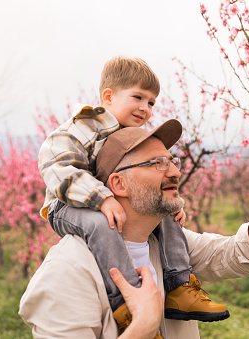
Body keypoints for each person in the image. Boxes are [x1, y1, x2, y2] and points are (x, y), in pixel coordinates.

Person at [19, 119, 249, 338]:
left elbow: (245, 254)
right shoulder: (67, 273)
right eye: (157, 163)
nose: (175, 171)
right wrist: (142, 327)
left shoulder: (169, 247)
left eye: (172, 161)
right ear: (118, 184)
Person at [37, 56, 228, 334]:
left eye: (151, 102)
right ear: (108, 97)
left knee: (162, 212)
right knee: (101, 225)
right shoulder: (83, 127)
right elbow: (56, 166)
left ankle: (178, 287)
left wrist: (173, 202)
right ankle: (124, 302)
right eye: (137, 97)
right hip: (67, 204)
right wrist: (102, 198)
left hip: (103, 198)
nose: (145, 108)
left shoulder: (128, 134)